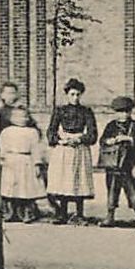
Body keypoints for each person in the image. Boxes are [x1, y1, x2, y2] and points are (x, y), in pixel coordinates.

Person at [45, 78, 97, 224]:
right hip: (64, 149)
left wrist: (80, 139)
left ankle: (79, 214)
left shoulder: (86, 111)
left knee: (79, 179)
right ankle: (62, 213)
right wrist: (60, 140)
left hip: (79, 149)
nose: (75, 97)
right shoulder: (60, 111)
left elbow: (93, 134)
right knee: (64, 179)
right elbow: (51, 131)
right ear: (67, 95)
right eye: (72, 94)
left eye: (78, 94)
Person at [98, 95, 135, 228]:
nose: (123, 114)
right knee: (112, 190)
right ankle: (110, 215)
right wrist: (110, 141)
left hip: (130, 164)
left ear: (130, 111)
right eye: (120, 111)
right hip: (114, 165)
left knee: (134, 191)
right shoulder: (111, 125)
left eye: (126, 111)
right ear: (115, 112)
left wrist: (130, 139)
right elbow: (102, 141)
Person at [0, 104, 47, 222]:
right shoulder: (6, 132)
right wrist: (2, 159)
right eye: (18, 117)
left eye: (25, 116)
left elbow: (36, 149)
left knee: (25, 189)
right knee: (10, 188)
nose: (22, 119)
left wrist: (37, 164)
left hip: (26, 161)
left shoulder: (32, 132)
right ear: (12, 118)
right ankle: (9, 213)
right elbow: (2, 146)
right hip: (11, 161)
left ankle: (26, 213)